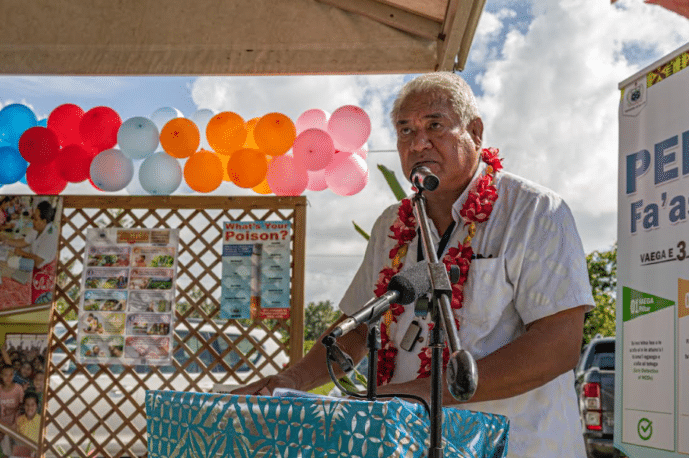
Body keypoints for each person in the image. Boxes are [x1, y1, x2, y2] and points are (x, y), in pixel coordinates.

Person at [233, 73, 595, 457]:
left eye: (434, 125)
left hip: (517, 445)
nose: (418, 142)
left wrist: (425, 392)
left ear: (474, 131)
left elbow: (558, 344)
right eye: (405, 130)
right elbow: (357, 329)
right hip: (409, 444)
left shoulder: (534, 211)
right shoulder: (391, 224)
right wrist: (289, 380)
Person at [0, 201, 58, 270]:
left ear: (44, 221)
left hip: (42, 269)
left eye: (35, 219)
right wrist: (6, 240)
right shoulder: (37, 227)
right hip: (35, 261)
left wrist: (21, 253)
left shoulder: (50, 235)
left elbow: (37, 262)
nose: (33, 221)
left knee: (9, 266)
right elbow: (24, 242)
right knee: (9, 262)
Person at [13, 391, 41, 456]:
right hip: (23, 454)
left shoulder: (41, 421)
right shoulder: (19, 420)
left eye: (32, 405)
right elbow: (17, 440)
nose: (30, 408)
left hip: (37, 454)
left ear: (36, 406)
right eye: (27, 405)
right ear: (23, 405)